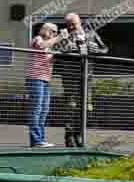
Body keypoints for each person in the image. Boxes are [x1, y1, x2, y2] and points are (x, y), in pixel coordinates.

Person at [54, 13, 108, 147]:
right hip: (69, 76)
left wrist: (97, 50)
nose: (71, 27)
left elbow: (105, 49)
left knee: (86, 107)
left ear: (80, 22)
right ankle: (69, 135)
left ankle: (80, 133)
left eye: (74, 24)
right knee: (70, 106)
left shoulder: (91, 33)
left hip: (87, 76)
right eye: (69, 24)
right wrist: (64, 51)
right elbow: (53, 51)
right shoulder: (63, 35)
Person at [25, 23, 66, 147]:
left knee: (44, 111)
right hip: (35, 79)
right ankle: (36, 140)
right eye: (53, 31)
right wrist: (59, 38)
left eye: (56, 32)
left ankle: (41, 139)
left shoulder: (50, 46)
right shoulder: (38, 39)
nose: (55, 33)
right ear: (46, 30)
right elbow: (41, 46)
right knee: (36, 110)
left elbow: (50, 59)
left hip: (46, 80)